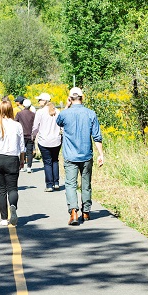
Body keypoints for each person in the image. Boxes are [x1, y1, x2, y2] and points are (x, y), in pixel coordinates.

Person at [56, 87, 104, 226]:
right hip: (86, 155)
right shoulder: (91, 114)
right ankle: (86, 212)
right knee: (86, 184)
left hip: (70, 155)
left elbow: (58, 122)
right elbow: (97, 136)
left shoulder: (65, 114)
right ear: (82, 98)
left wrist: (66, 105)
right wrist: (101, 154)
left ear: (70, 99)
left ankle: (73, 212)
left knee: (70, 184)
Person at [32, 92, 62, 192]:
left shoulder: (40, 112)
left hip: (44, 141)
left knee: (47, 162)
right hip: (56, 140)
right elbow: (62, 125)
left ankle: (49, 185)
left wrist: (33, 135)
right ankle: (56, 182)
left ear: (45, 101)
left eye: (40, 100)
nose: (38, 101)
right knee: (55, 160)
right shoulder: (57, 111)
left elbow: (36, 127)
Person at [15, 99, 36, 173]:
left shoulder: (19, 113)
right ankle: (29, 167)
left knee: (21, 150)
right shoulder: (33, 114)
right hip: (30, 135)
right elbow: (35, 125)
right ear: (30, 106)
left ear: (23, 105)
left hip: (21, 135)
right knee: (29, 152)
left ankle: (21, 166)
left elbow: (15, 123)